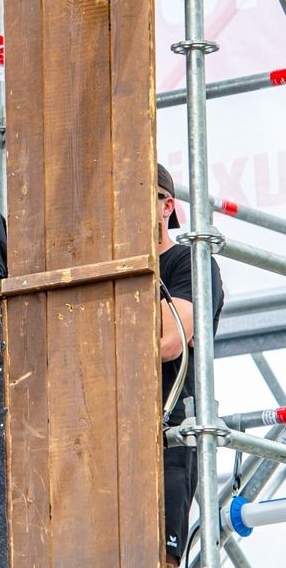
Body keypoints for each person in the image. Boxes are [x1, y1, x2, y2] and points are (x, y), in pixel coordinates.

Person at [157, 163, 224, 567]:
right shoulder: (109, 272)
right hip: (107, 432)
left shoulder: (188, 262)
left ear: (167, 206)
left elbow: (168, 342)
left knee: (159, 556)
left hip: (169, 431)